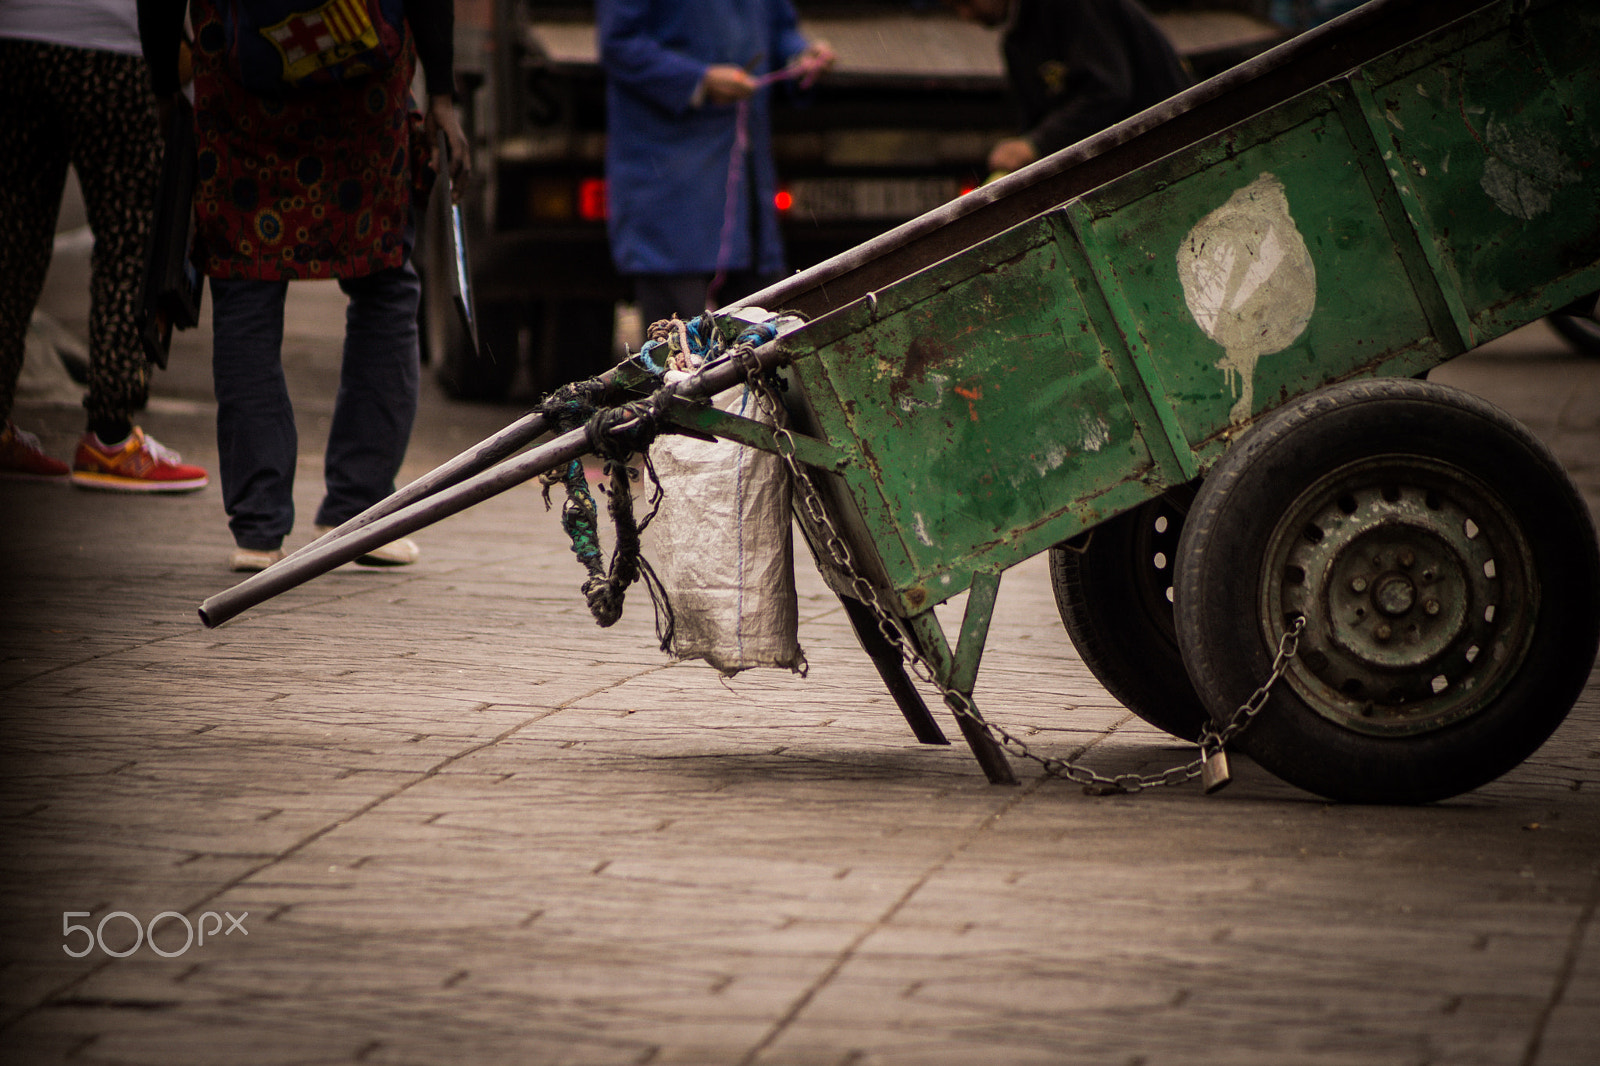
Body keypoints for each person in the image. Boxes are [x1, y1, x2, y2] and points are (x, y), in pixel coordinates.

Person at [137, 0, 470, 571]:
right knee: (384, 282)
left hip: (241, 93)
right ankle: (359, 509)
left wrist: (166, 84)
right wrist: (442, 95)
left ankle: (259, 531)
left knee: (245, 291)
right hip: (361, 96)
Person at [0, 0, 210, 490]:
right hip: (110, 47)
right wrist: (163, 82)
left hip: (12, 41)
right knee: (129, 235)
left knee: (11, 239)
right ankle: (111, 436)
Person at [597, 0, 834, 330]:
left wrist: (801, 56)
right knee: (682, 349)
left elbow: (780, 28)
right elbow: (619, 43)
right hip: (671, 186)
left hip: (746, 192)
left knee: (764, 339)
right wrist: (700, 79)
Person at [949, 0, 1191, 177]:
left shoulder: (1073, 7)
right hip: (1122, 172)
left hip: (1172, 152)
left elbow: (1107, 90)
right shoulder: (1016, 43)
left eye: (966, 3)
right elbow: (1034, 122)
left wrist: (1036, 144)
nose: (966, 15)